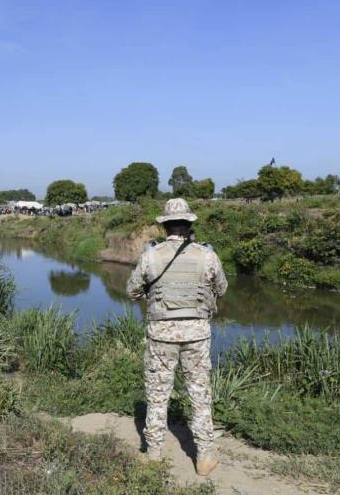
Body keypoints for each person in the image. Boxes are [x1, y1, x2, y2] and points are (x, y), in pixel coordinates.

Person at [126, 198, 227, 476]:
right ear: (189, 224)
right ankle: (204, 457)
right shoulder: (207, 255)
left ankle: (154, 453)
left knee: (158, 395)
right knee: (199, 393)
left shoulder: (151, 255)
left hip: (161, 335)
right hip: (196, 334)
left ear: (165, 225)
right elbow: (222, 288)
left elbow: (132, 291)